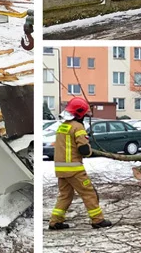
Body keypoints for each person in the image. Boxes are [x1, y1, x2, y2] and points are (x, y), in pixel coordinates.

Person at [49, 97, 112, 230]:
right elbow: (83, 149)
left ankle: (55, 221)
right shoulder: (78, 127)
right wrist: (90, 151)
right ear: (80, 114)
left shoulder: (62, 127)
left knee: (65, 195)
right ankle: (98, 220)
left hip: (61, 169)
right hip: (74, 169)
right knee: (89, 193)